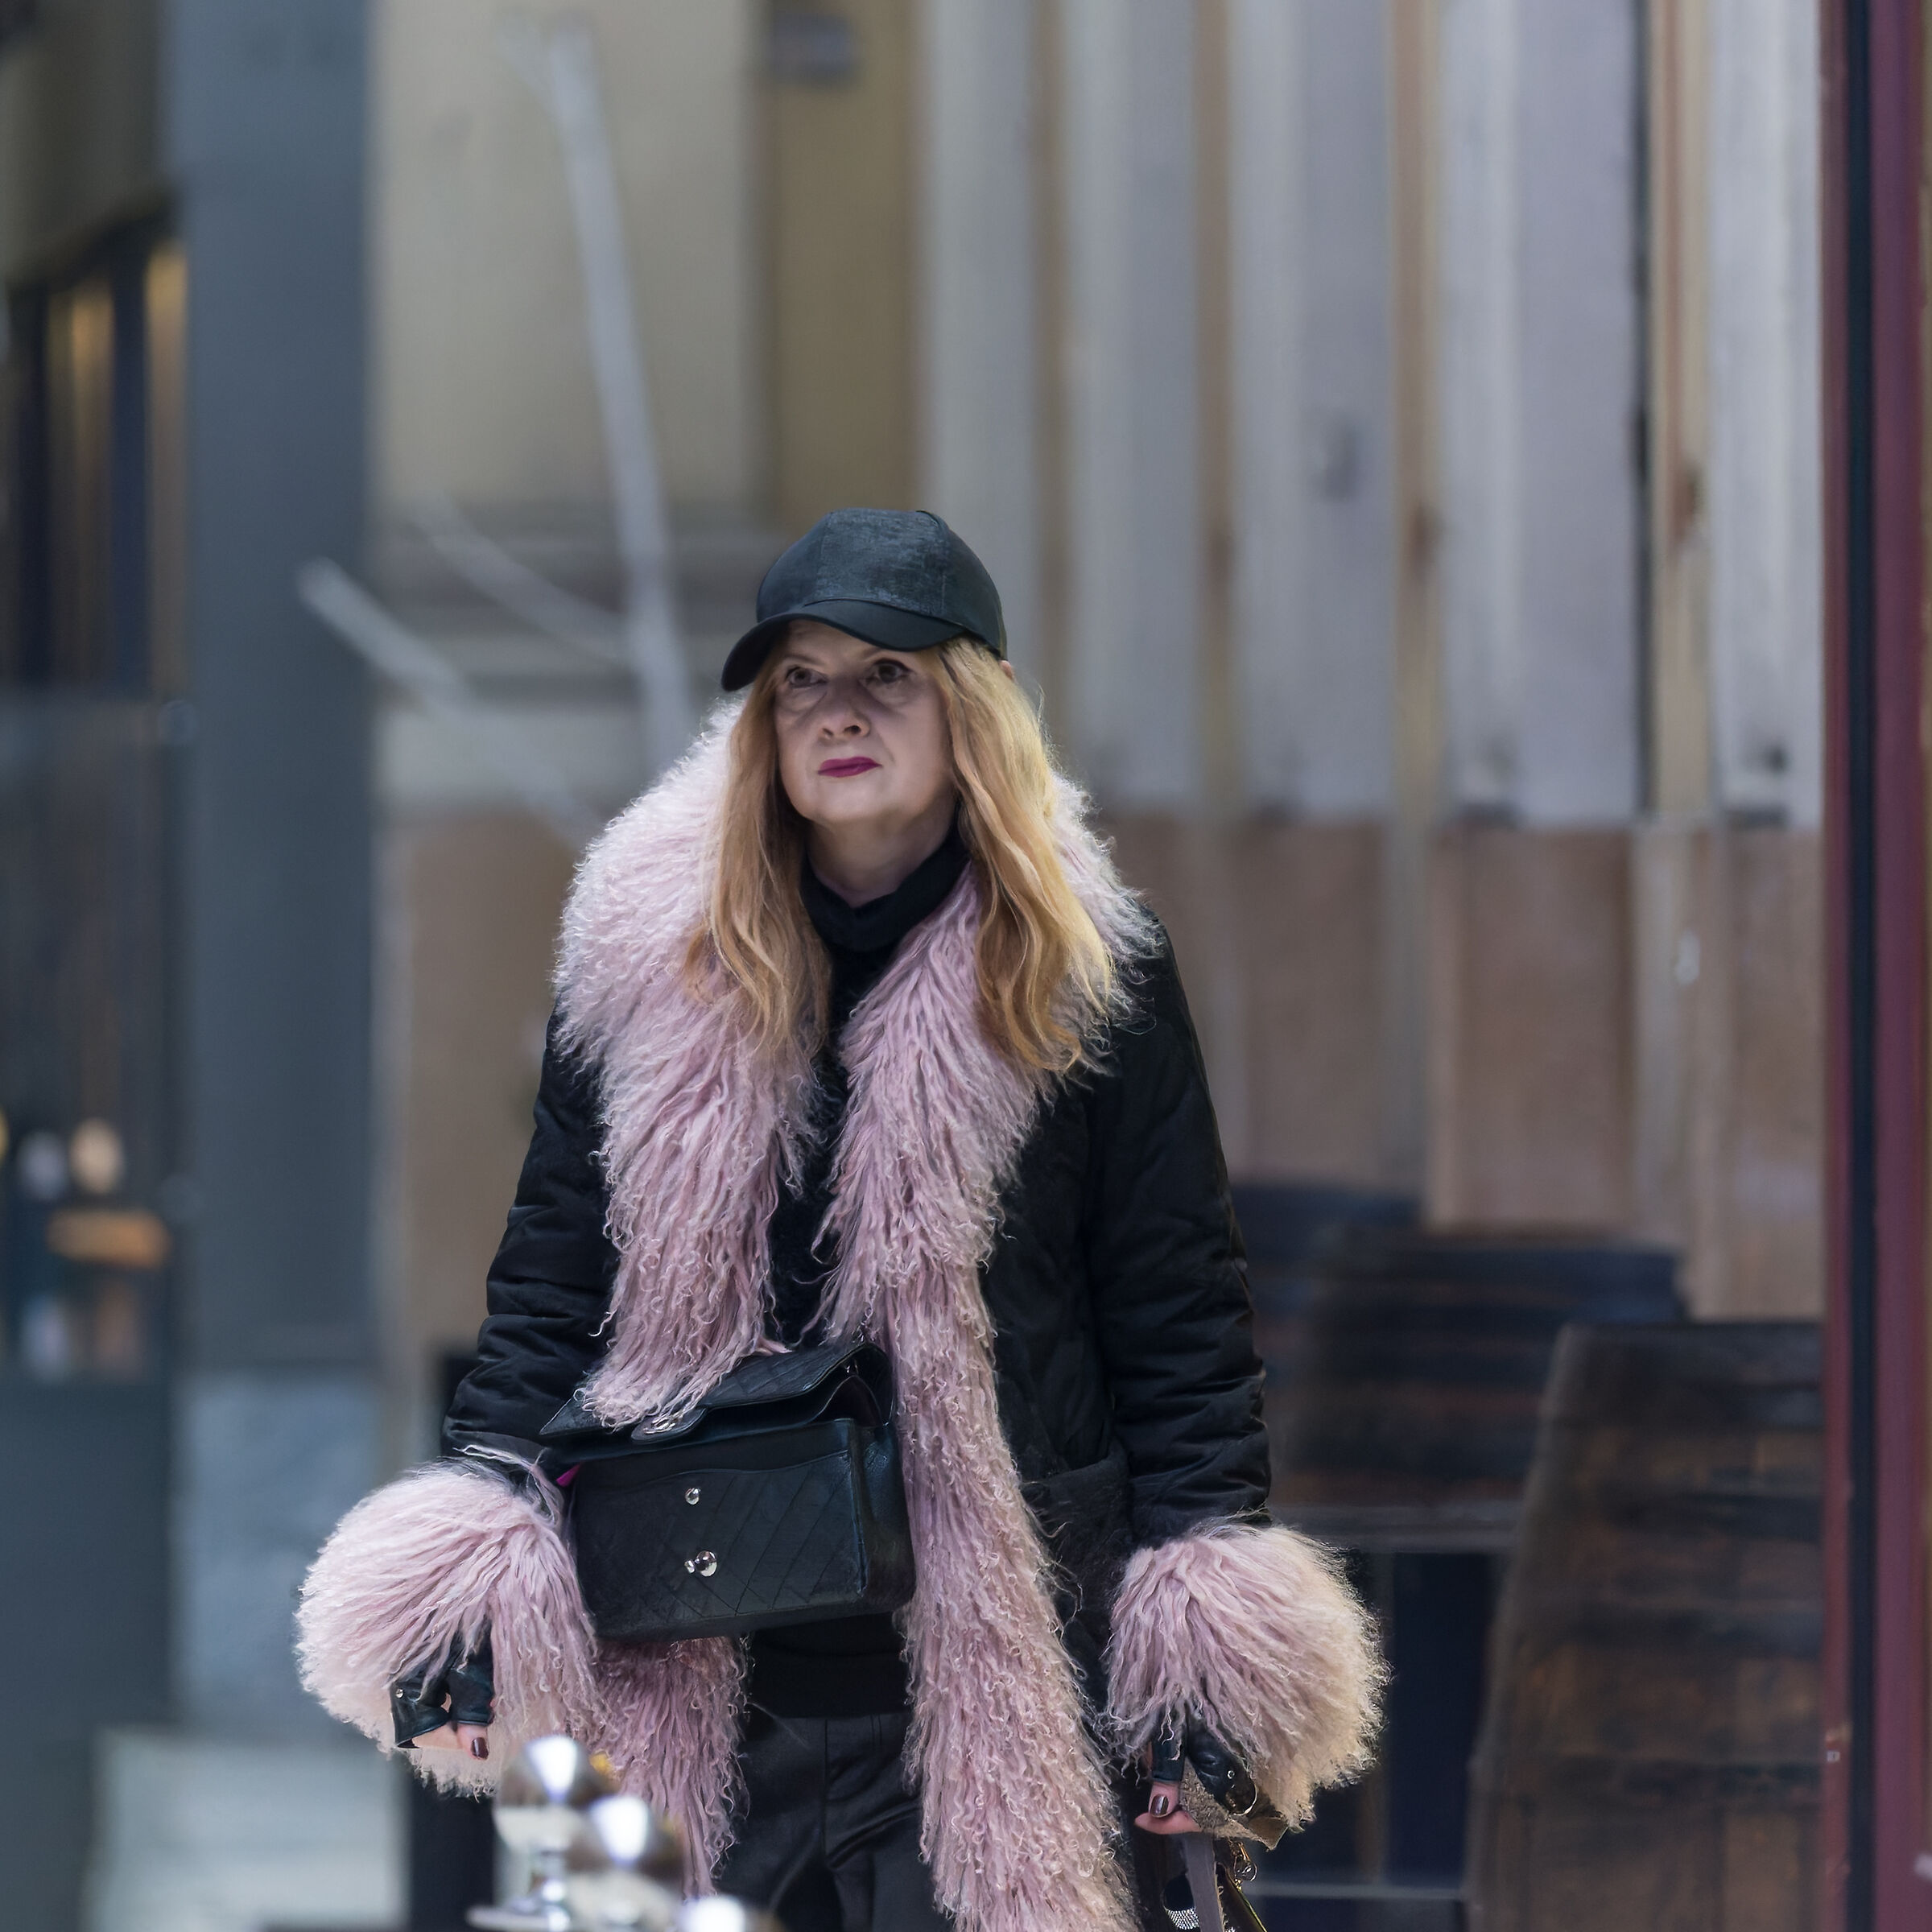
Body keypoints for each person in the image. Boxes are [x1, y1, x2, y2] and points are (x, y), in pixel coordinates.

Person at [299, 509, 1380, 1932]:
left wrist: (1199, 1679)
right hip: (689, 1647)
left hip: (987, 1665)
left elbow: (1175, 1315)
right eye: (801, 680)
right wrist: (474, 1566)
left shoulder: (1077, 970)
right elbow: (554, 1283)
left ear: (969, 710)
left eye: (886, 675)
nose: (837, 713)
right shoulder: (644, 957)